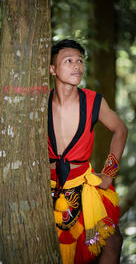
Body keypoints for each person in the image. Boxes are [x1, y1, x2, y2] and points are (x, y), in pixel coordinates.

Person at [48, 39, 127, 264]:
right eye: (69, 61)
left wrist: (109, 173)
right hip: (46, 190)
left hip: (84, 187)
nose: (77, 66)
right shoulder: (39, 102)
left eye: (80, 61)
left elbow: (120, 130)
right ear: (52, 69)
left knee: (112, 241)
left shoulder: (93, 101)